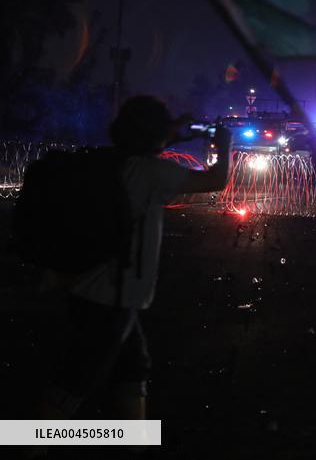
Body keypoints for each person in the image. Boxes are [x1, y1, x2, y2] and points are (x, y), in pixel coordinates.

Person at [38, 96, 233, 420]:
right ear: (154, 133)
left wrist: (171, 132)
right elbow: (216, 180)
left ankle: (136, 443)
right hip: (111, 299)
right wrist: (224, 145)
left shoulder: (108, 163)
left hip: (90, 288)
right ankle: (23, 444)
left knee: (133, 369)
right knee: (72, 385)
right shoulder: (152, 173)